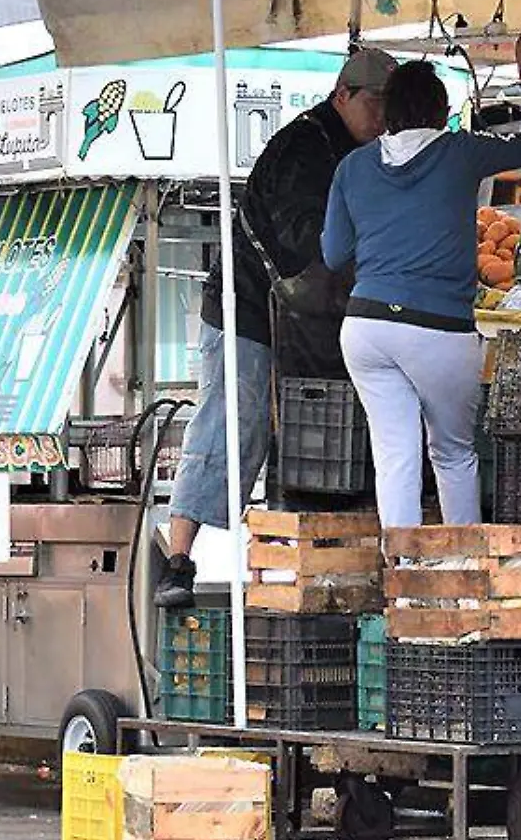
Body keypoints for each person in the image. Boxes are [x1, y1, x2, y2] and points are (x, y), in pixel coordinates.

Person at [154, 47, 397, 608]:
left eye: (390, 105)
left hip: (308, 316)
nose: (383, 117)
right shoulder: (303, 147)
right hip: (248, 307)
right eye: (376, 103)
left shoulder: (361, 149)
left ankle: (294, 559)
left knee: (310, 431)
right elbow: (304, 238)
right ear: (344, 96)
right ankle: (178, 560)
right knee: (232, 422)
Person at [322, 27, 521, 528]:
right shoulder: (460, 151)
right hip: (439, 329)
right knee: (451, 454)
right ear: (439, 109)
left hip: (366, 328)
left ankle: (402, 579)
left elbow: (334, 252)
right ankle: (460, 571)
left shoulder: (352, 167)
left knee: (396, 457)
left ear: (386, 112)